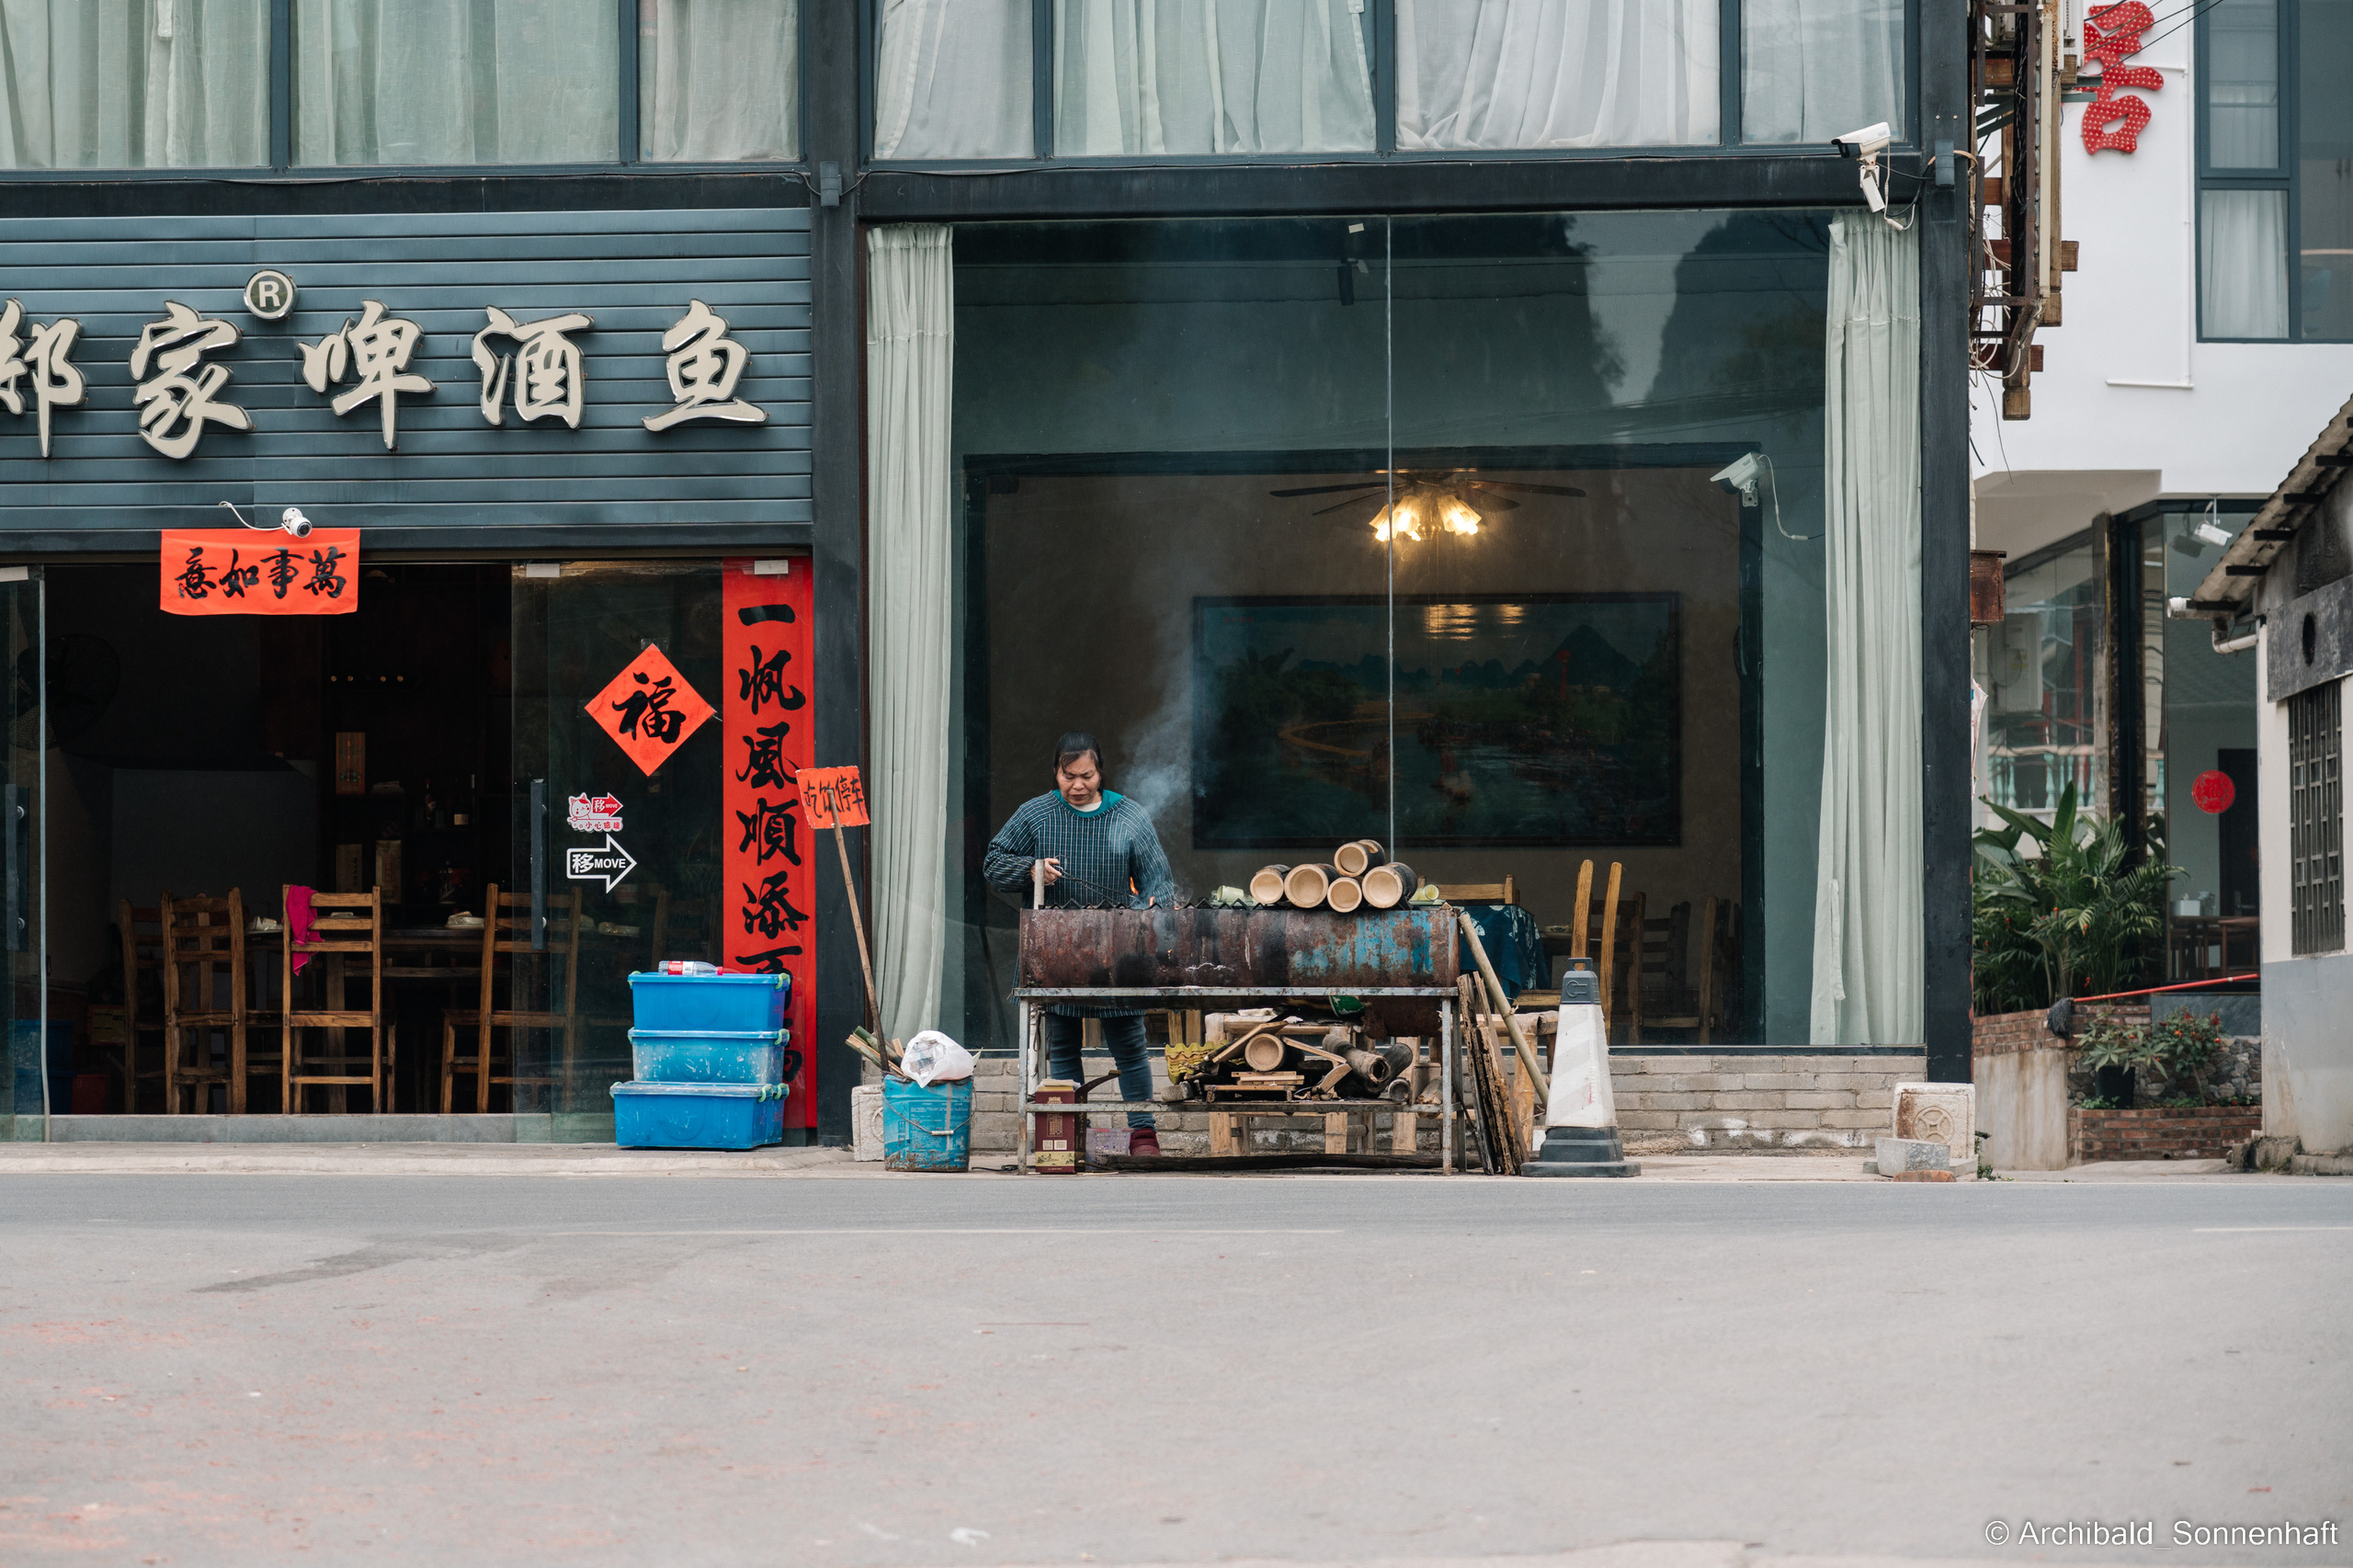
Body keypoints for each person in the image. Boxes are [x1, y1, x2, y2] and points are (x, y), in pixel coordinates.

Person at [983, 732, 1176, 1157]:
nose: (1078, 785)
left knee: (1129, 1045)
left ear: (1099, 771)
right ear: (1056, 773)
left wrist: (1152, 908)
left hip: (1118, 952)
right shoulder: (1034, 814)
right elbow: (993, 864)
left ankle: (1143, 1135)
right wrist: (1032, 870)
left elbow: (1160, 882)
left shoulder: (1130, 816)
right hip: (1057, 952)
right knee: (1063, 1047)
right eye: (1068, 776)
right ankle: (1070, 1138)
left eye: (1086, 775)